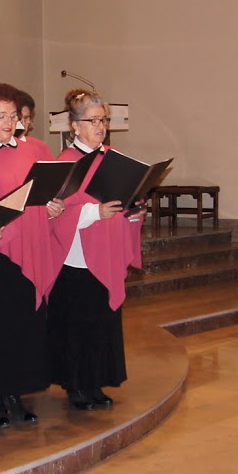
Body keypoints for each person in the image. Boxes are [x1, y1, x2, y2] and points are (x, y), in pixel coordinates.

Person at [0, 83, 66, 426]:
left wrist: (53, 207)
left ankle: (16, 393)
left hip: (30, 248)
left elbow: (44, 196)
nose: (8, 122)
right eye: (0, 116)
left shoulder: (33, 150)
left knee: (23, 326)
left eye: (13, 116)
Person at [47, 90, 144, 410]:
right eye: (93, 121)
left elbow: (125, 199)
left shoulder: (113, 158)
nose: (100, 126)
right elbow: (56, 214)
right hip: (75, 257)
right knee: (78, 324)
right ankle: (76, 384)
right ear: (75, 125)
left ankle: (96, 381)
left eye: (103, 120)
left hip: (108, 252)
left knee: (102, 322)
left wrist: (134, 213)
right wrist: (93, 213)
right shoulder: (65, 163)